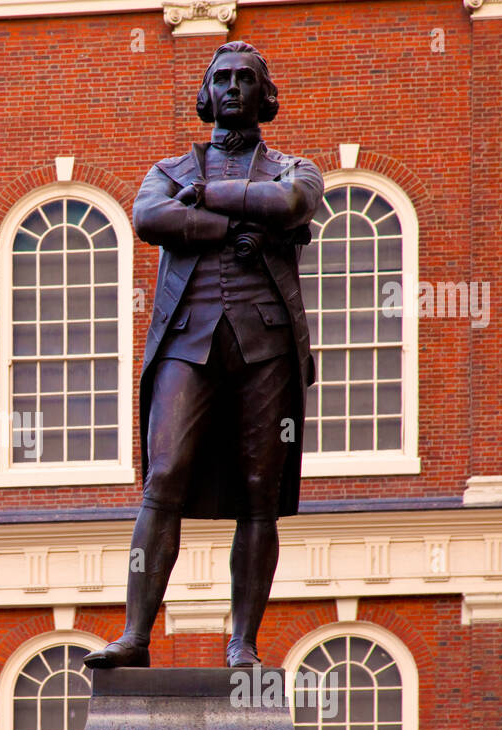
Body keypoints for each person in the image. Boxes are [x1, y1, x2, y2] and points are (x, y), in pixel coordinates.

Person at [84, 41, 323, 669]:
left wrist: (206, 201)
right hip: (187, 340)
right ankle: (136, 635)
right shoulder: (168, 170)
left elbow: (291, 205)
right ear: (206, 92)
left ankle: (242, 642)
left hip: (265, 343)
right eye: (222, 78)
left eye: (247, 79)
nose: (234, 88)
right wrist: (234, 224)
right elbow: (147, 218)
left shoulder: (296, 168)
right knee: (163, 479)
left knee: (258, 493)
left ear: (266, 96)